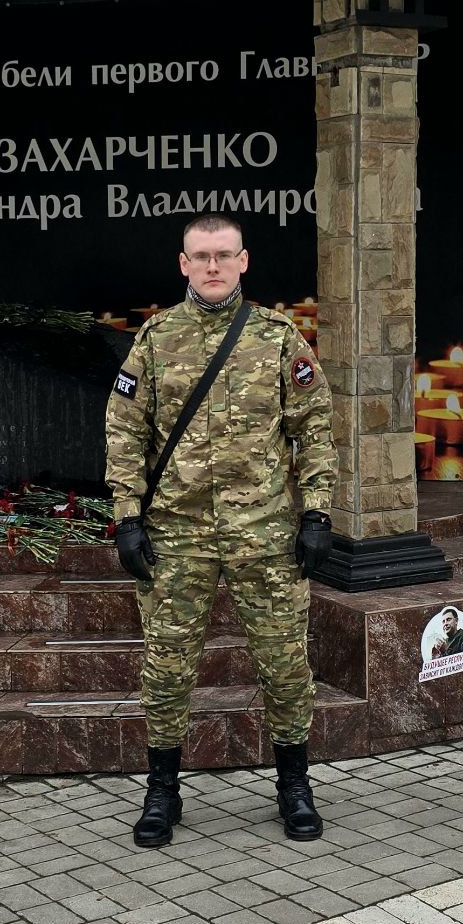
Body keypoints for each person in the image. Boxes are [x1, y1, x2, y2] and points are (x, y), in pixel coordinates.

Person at [105, 215, 337, 848]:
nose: (213, 266)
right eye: (201, 256)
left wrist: (317, 513)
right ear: (183, 264)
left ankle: (294, 786)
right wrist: (127, 517)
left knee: (284, 663)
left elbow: (314, 429)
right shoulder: (156, 339)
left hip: (264, 532)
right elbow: (124, 431)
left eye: (224, 255)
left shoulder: (278, 338)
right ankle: (162, 791)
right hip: (177, 534)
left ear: (243, 261)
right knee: (167, 667)